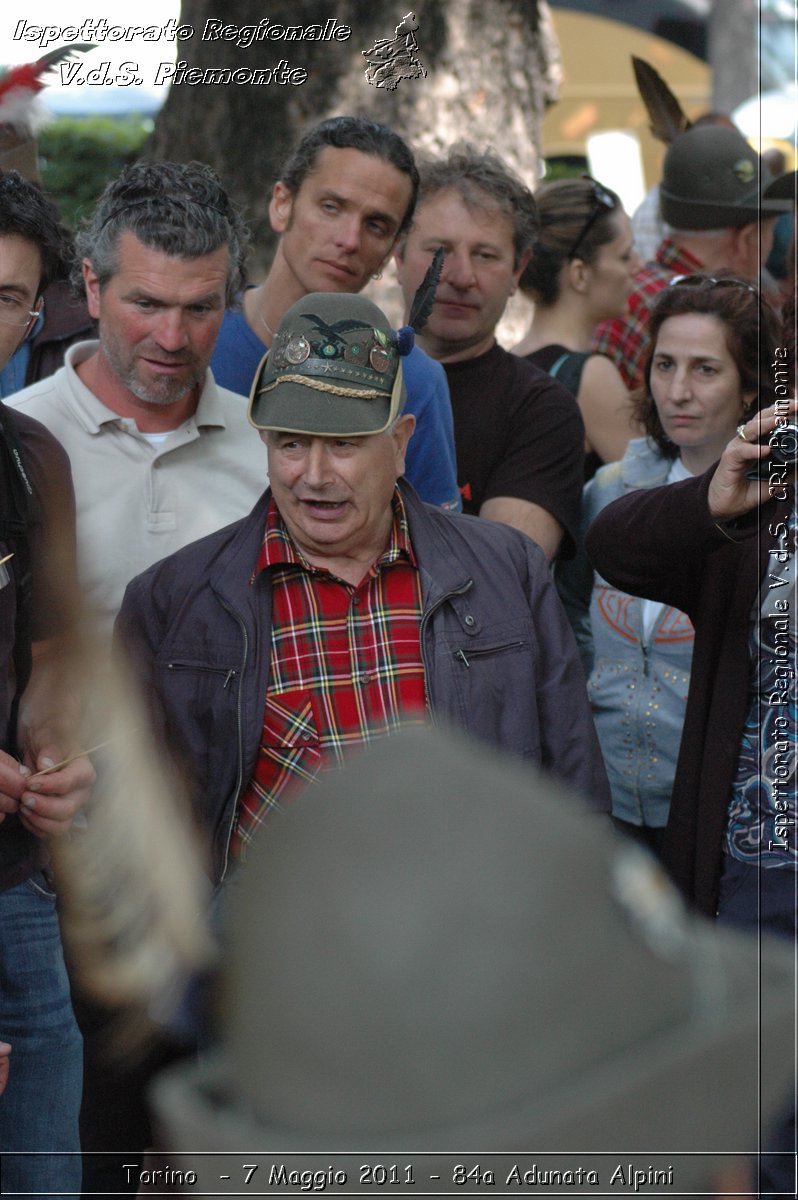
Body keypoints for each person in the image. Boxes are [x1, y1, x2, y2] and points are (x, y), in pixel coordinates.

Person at [117, 290, 610, 893]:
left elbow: (575, 786)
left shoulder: (508, 571)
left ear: (401, 444)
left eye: (344, 444)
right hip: (274, 958)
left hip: (474, 942)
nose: (314, 477)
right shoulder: (173, 599)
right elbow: (135, 824)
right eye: (290, 443)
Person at [559, 275, 779, 855]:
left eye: (705, 369)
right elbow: (572, 602)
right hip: (607, 795)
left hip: (720, 803)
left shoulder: (771, 510)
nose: (677, 390)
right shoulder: (609, 490)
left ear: (750, 387)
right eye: (664, 365)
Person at [7, 160, 268, 641]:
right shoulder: (19, 443)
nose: (171, 338)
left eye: (199, 308)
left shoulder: (274, 449)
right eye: (146, 304)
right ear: (92, 287)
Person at [210, 115, 460, 512]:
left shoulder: (412, 379)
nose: (349, 240)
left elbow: (438, 550)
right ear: (282, 205)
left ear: (391, 251)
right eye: (331, 207)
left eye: (376, 226)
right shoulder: (195, 338)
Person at [0, 168, 94, 1198]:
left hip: (11, 878)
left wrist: (55, 756)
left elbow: (53, 656)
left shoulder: (33, 459)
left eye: (7, 296)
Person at [394, 146, 585, 561]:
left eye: (486, 256)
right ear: (397, 254)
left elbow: (503, 574)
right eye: (438, 251)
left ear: (519, 269)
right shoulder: (342, 369)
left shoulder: (541, 412)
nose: (461, 277)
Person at [592, 123, 793, 390]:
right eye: (771, 232)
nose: (771, 245)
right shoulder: (726, 317)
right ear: (747, 239)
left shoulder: (627, 294)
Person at [510, 176, 641, 478]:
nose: (638, 265)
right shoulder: (589, 376)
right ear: (580, 274)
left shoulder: (511, 362)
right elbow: (655, 495)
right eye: (624, 255)